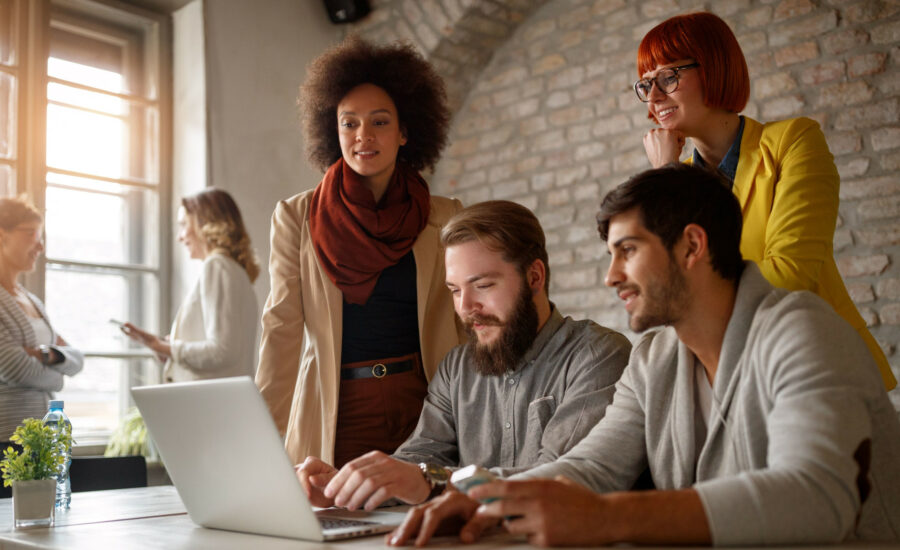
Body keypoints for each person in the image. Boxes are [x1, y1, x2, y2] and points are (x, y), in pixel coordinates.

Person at [388, 164, 900, 547]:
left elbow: (815, 497)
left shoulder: (801, 330)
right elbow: (591, 468)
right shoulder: (654, 357)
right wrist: (485, 500)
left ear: (691, 247)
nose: (611, 276)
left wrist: (609, 518)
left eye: (627, 251)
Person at [294, 200, 631, 511]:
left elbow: (561, 479)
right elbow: (416, 461)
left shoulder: (597, 356)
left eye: (483, 285)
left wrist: (433, 481)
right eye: (455, 290)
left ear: (534, 277)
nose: (466, 308)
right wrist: (344, 487)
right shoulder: (456, 369)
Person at [634, 12, 894, 390]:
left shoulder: (794, 141)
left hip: (820, 373)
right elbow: (660, 292)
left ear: (715, 69)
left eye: (669, 77)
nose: (654, 97)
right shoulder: (676, 177)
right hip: (725, 383)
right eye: (646, 83)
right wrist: (666, 177)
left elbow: (790, 274)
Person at [255, 37, 465, 467]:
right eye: (349, 123)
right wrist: (260, 434)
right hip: (336, 408)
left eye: (380, 122)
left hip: (430, 406)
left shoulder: (446, 217)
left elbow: (467, 323)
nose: (363, 136)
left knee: (427, 526)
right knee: (338, 524)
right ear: (332, 131)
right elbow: (282, 327)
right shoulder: (297, 216)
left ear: (405, 131)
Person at [121, 188, 259, 383]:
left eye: (184, 224)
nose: (180, 236)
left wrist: (158, 345)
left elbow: (222, 352)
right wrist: (172, 348)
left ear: (206, 224)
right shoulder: (234, 270)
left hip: (212, 404)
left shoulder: (216, 266)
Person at [0, 196, 83, 443]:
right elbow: (15, 368)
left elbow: (77, 358)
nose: (41, 246)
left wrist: (47, 355)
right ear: (2, 235)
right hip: (6, 439)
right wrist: (58, 378)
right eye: (32, 235)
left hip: (42, 440)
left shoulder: (32, 301)